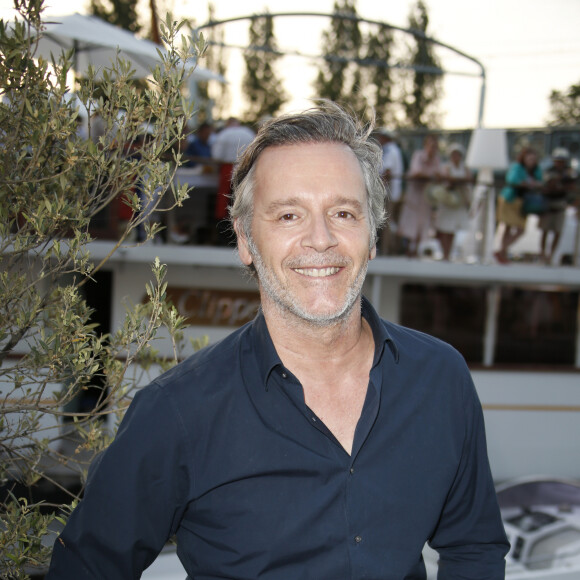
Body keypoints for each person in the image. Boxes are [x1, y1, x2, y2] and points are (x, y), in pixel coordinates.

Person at [47, 101, 509, 579]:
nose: (321, 240)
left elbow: (473, 547)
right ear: (246, 241)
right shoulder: (178, 412)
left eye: (345, 213)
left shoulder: (440, 378)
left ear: (372, 235)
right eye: (289, 216)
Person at [495, 146, 543, 264]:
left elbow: (540, 182)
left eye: (533, 159)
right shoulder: (517, 167)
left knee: (521, 229)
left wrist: (531, 184)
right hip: (510, 199)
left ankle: (501, 250)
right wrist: (527, 183)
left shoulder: (535, 170)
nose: (532, 161)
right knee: (507, 226)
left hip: (523, 202)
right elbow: (512, 180)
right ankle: (503, 254)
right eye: (530, 158)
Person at [397, 134, 441, 257]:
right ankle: (408, 248)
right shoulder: (418, 155)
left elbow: (438, 175)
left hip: (426, 197)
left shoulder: (436, 159)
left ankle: (417, 249)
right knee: (411, 221)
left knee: (424, 221)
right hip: (415, 195)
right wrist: (429, 176)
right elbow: (416, 172)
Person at [433, 143, 473, 261]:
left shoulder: (465, 168)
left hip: (458, 202)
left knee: (452, 229)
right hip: (447, 202)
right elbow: (446, 180)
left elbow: (468, 180)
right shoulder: (446, 167)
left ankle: (448, 253)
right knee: (445, 229)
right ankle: (445, 253)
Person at [539, 147, 577, 264]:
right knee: (545, 230)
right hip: (548, 204)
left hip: (561, 204)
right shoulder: (549, 171)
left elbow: (573, 187)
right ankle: (543, 254)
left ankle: (551, 255)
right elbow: (549, 186)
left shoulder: (570, 172)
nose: (559, 163)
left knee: (557, 231)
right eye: (557, 160)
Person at [374, 128, 405, 255]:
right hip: (389, 193)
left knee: (385, 222)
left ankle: (387, 250)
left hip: (388, 193)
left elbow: (387, 172)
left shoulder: (390, 151)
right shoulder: (392, 150)